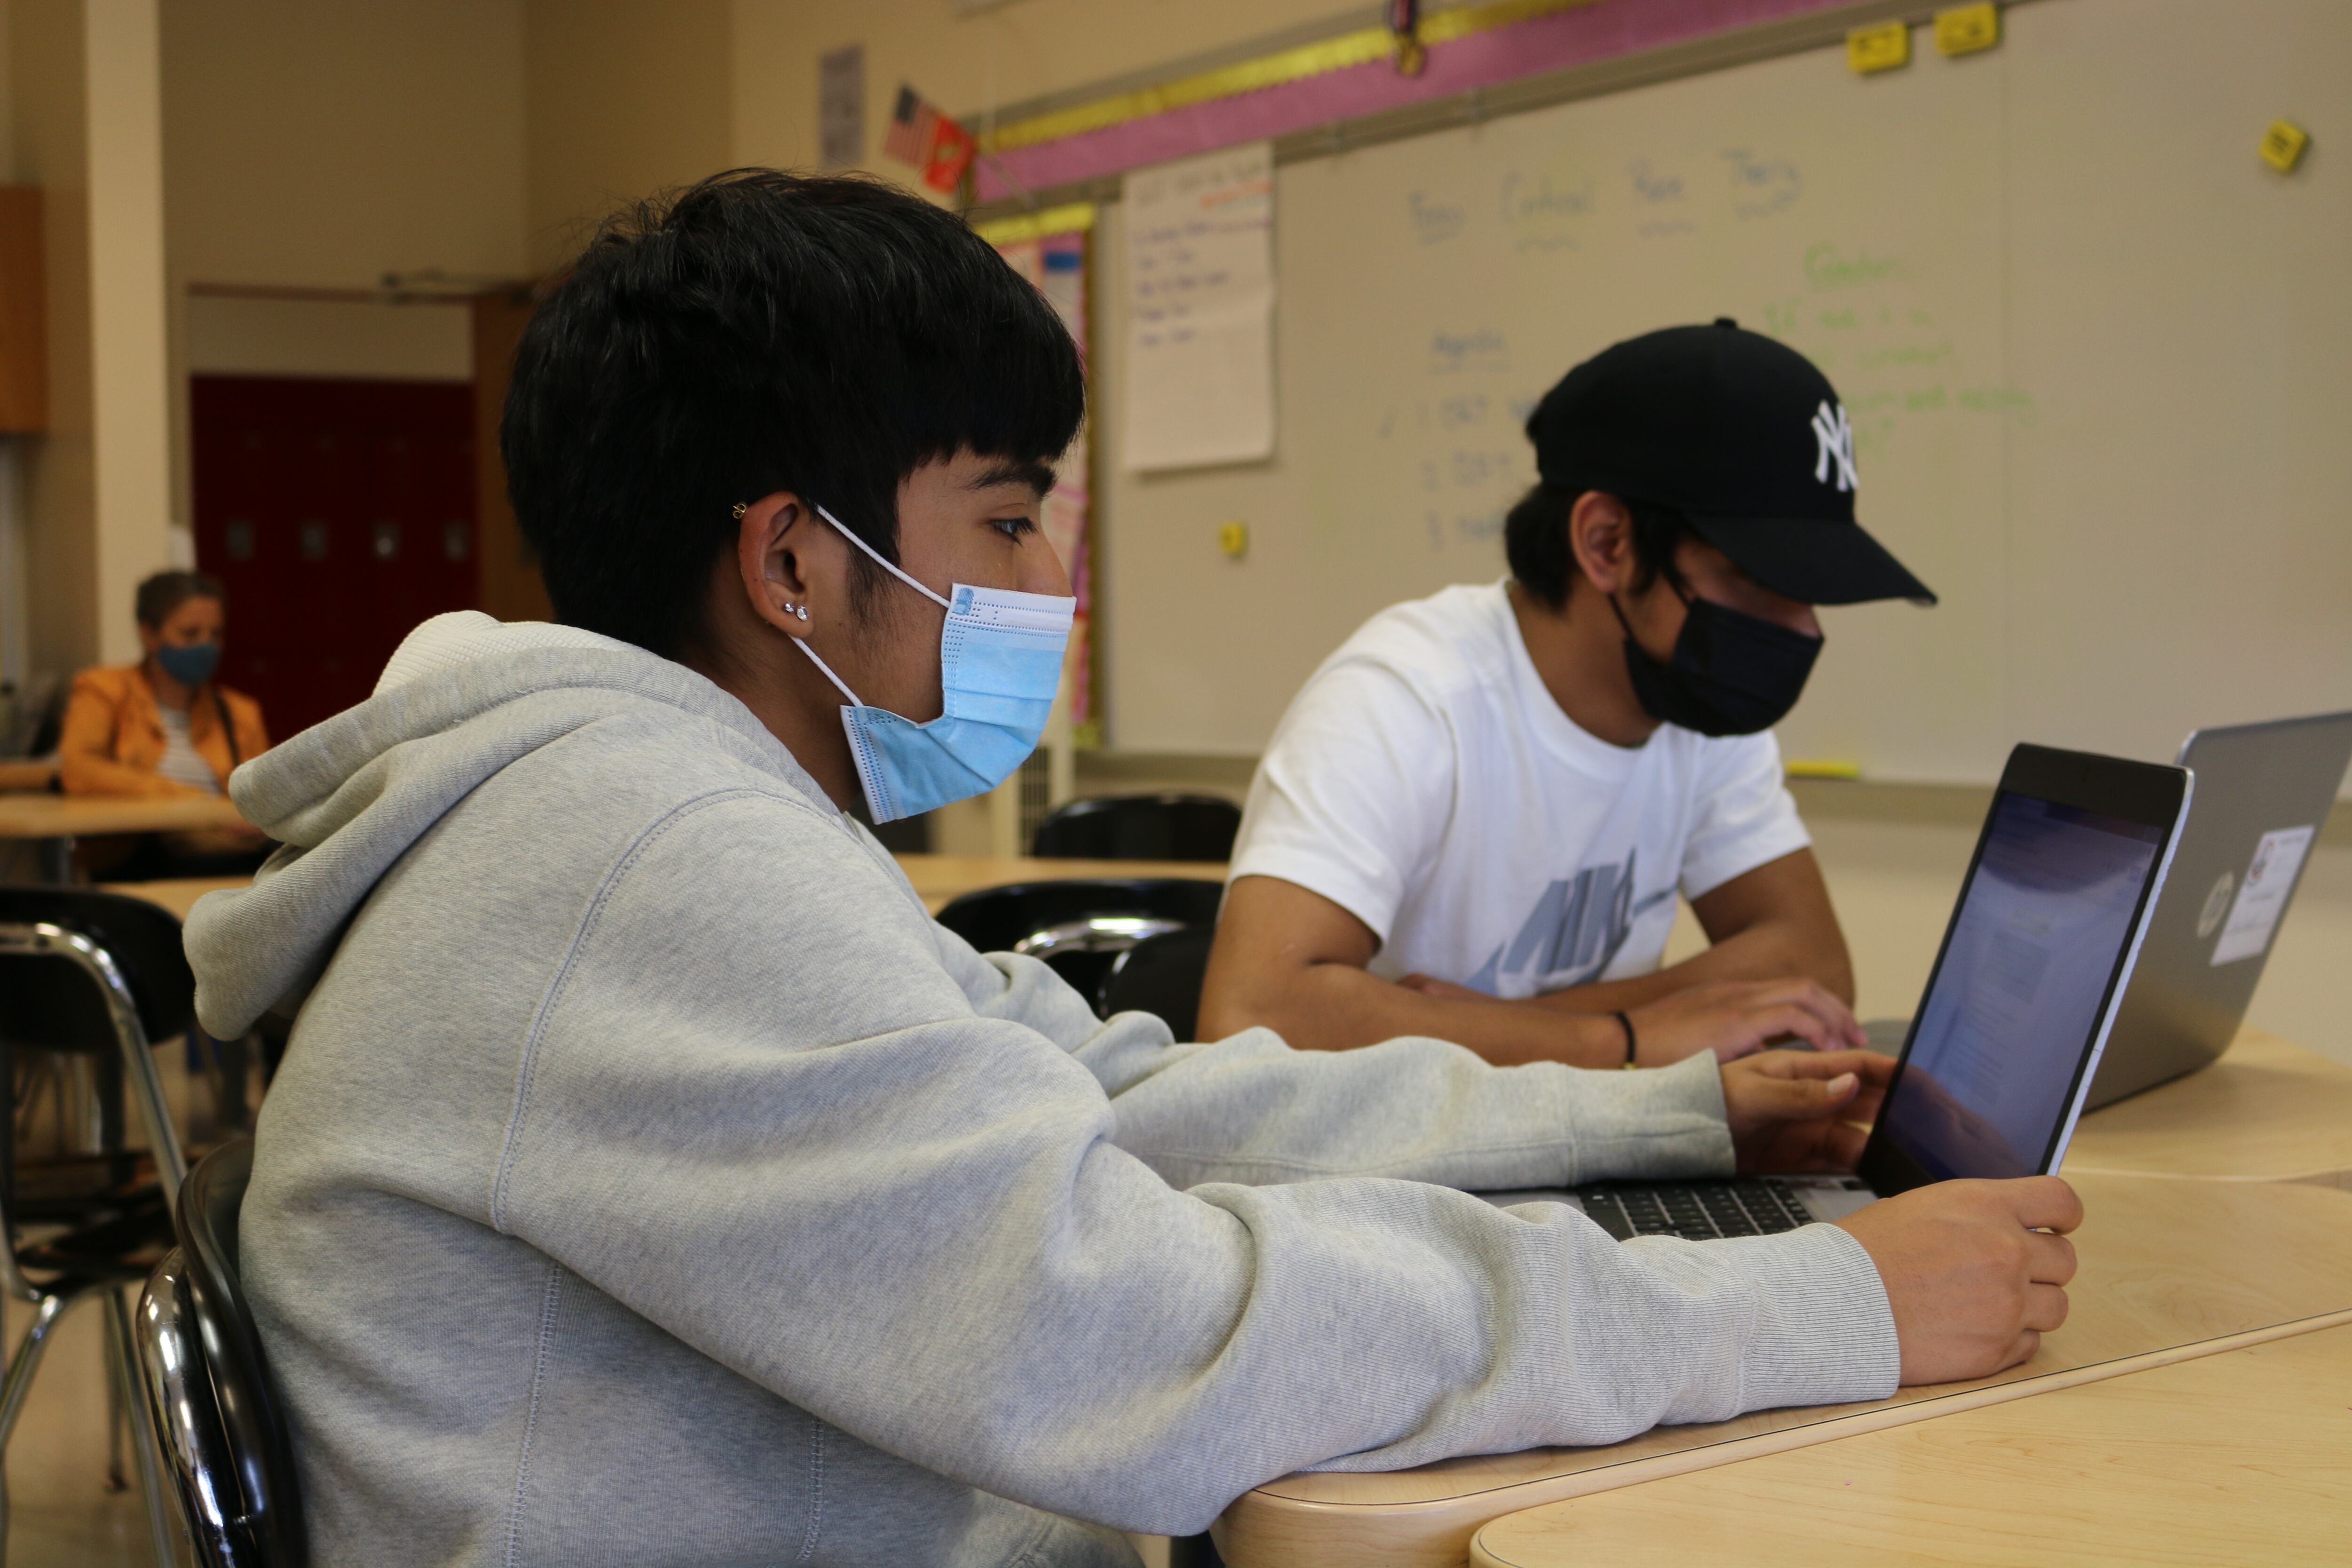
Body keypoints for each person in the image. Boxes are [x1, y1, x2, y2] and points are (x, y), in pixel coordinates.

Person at [184, 174, 2076, 1567]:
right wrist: (1817, 1310)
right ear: (788, 561)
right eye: (1001, 520)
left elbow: (1135, 1094)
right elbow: (1150, 1325)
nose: (1040, 590)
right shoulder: (642, 855)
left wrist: (1668, 1123)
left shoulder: (672, 807)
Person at [1200, 322, 1937, 1070]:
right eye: (1761, 581)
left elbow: (1812, 971)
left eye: (1813, 593)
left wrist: (1498, 1025)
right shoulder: (1405, 701)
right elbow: (1253, 1016)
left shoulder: (1702, 717)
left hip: (1586, 1155)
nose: (1803, 629)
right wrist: (1625, 1038)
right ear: (1607, 543)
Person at [59, 568, 270, 875]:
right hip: (136, 860)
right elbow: (78, 769)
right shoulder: (104, 691)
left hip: (226, 860)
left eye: (215, 634)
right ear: (149, 634)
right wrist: (188, 800)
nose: (206, 646)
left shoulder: (239, 710)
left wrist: (262, 820)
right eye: (190, 634)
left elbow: (266, 792)